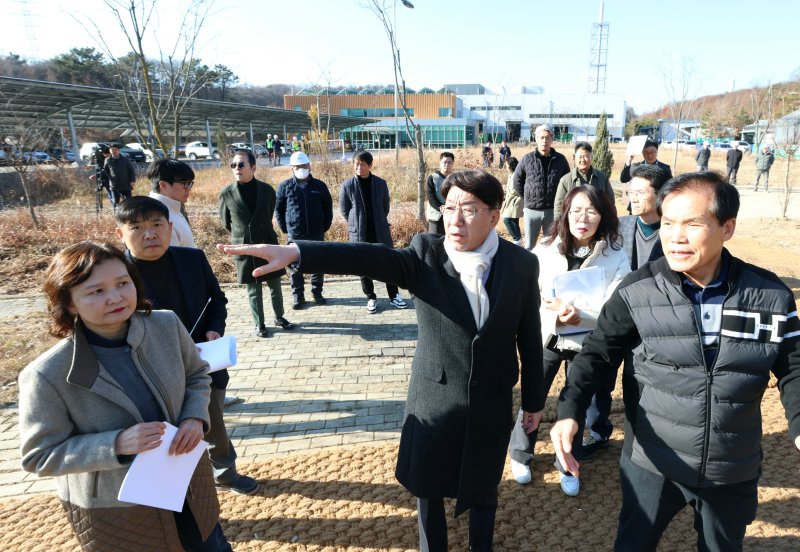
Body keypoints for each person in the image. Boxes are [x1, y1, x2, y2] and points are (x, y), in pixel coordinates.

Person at [218, 169, 546, 552]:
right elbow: (370, 257)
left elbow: (530, 335)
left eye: (469, 209)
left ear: (494, 216)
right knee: (429, 492)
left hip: (492, 400)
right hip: (435, 401)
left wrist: (534, 400)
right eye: (449, 207)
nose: (455, 220)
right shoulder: (427, 253)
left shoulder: (521, 264)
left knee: (484, 488)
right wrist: (298, 252)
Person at [551, 172, 800, 551]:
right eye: (668, 223)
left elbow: (794, 368)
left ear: (727, 228)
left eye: (692, 224)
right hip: (652, 462)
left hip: (731, 466)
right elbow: (597, 355)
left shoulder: (770, 297)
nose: (675, 237)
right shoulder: (637, 292)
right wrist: (570, 410)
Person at [18, 241, 231, 551]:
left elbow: (197, 375)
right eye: (96, 291)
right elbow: (39, 456)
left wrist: (194, 417)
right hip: (119, 508)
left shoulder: (166, 325)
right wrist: (115, 444)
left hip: (187, 482)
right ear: (69, 303)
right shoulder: (47, 374)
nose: (116, 297)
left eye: (122, 283)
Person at [114, 196, 259, 496]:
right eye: (137, 227)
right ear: (120, 233)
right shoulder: (115, 274)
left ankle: (224, 473)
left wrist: (214, 329)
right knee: (160, 433)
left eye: (157, 225)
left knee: (212, 421)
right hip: (148, 372)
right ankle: (171, 488)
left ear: (170, 227)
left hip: (202, 363)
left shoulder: (192, 260)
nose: (149, 234)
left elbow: (216, 300)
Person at [508, 185, 629, 497]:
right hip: (547, 336)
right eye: (576, 210)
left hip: (587, 344)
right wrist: (551, 314)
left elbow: (615, 307)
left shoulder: (615, 256)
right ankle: (520, 452)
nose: (582, 218)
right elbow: (526, 294)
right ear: (565, 213)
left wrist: (581, 316)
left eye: (591, 211)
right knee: (533, 396)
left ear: (603, 216)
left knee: (575, 404)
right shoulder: (546, 249)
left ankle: (567, 463)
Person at [581, 163, 670, 460]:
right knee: (601, 378)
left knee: (640, 383)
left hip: (653, 322)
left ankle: (641, 438)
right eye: (630, 191)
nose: (633, 197)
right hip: (617, 317)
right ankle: (597, 431)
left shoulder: (673, 232)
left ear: (660, 194)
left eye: (640, 192)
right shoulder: (620, 227)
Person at [219, 149, 294, 337]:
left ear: (253, 168)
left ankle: (279, 317)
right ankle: (259, 323)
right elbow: (226, 222)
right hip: (244, 246)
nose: (237, 168)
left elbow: (269, 213)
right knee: (253, 288)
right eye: (233, 165)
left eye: (241, 164)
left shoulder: (267, 190)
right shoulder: (226, 193)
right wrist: (242, 235)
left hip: (267, 243)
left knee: (275, 285)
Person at [339, 150, 407, 313]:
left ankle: (394, 296)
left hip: (380, 231)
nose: (359, 167)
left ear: (370, 165)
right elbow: (344, 210)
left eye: (362, 164)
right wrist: (356, 223)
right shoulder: (347, 186)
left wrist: (378, 220)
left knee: (388, 263)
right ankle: (370, 297)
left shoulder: (380, 184)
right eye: (356, 164)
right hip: (359, 233)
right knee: (363, 266)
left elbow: (385, 207)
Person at [275, 151, 333, 308]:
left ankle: (317, 293)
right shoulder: (285, 186)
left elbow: (328, 208)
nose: (301, 169)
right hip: (295, 233)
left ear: (309, 166)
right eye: (297, 167)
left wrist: (324, 226)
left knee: (318, 264)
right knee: (295, 265)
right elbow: (278, 210)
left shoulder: (320, 186)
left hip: (316, 232)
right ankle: (298, 296)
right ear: (292, 168)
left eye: (304, 166)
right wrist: (285, 228)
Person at [513, 124, 571, 249]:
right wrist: (527, 197)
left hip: (553, 210)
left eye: (547, 137)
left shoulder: (560, 159)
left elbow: (567, 182)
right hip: (531, 210)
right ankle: (529, 262)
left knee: (551, 245)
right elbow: (517, 181)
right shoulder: (527, 159)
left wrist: (562, 202)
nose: (544, 140)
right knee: (529, 245)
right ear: (536, 139)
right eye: (541, 137)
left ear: (552, 139)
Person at [553, 141, 614, 217]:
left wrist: (612, 220)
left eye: (586, 156)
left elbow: (611, 202)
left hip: (597, 220)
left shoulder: (603, 178)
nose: (583, 160)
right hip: (574, 220)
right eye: (580, 157)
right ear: (574, 158)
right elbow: (559, 206)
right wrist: (559, 222)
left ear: (591, 157)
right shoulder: (565, 180)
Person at [147, 158, 197, 248]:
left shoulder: (172, 207)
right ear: (163, 185)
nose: (189, 188)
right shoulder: (158, 218)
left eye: (190, 183)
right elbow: (170, 256)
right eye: (184, 183)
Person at [426, 151, 455, 234]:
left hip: (452, 216)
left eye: (449, 162)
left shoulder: (456, 179)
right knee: (435, 239)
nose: (447, 165)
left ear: (453, 163)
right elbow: (430, 196)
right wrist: (440, 207)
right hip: (436, 216)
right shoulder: (433, 178)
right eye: (444, 162)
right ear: (440, 163)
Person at [104, 142, 137, 208]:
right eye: (112, 149)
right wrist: (111, 179)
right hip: (114, 185)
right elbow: (106, 171)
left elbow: (131, 170)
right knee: (115, 202)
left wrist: (132, 180)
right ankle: (116, 213)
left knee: (129, 202)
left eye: (115, 149)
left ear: (118, 150)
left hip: (126, 184)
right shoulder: (108, 160)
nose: (113, 151)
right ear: (110, 151)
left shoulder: (125, 159)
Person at [500, 156, 523, 245]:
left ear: (510, 165)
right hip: (511, 199)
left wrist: (507, 190)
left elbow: (515, 189)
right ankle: (518, 239)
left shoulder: (516, 174)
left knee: (507, 219)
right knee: (513, 220)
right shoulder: (511, 174)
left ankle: (516, 238)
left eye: (506, 164)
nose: (505, 166)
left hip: (515, 200)